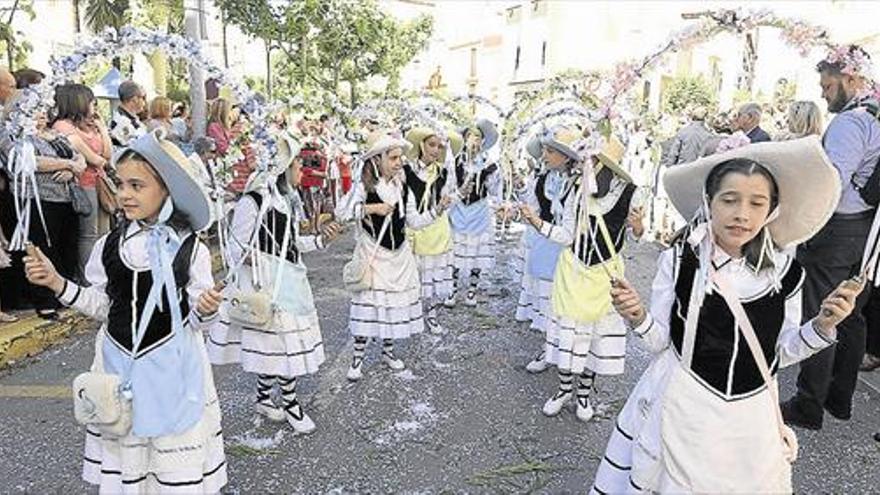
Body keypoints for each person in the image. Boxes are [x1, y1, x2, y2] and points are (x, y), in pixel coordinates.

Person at [591, 137, 857, 494]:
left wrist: (823, 325)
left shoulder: (787, 275)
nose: (742, 214)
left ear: (772, 210)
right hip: (681, 403)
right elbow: (660, 342)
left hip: (748, 422)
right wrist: (638, 316)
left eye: (756, 203)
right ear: (709, 202)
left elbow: (779, 354)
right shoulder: (679, 262)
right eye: (729, 200)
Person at [23, 129, 227, 492]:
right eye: (121, 184)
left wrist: (206, 310)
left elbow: (193, 321)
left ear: (166, 190)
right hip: (118, 366)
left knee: (170, 470)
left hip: (172, 370)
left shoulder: (189, 249)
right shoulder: (110, 245)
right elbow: (103, 306)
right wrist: (56, 283)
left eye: (137, 186)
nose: (124, 194)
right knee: (127, 469)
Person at [208, 134, 342, 434]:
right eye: (297, 164)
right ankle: (291, 404)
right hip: (266, 287)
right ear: (283, 168)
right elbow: (234, 247)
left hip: (290, 282)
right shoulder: (254, 200)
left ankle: (265, 398)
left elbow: (292, 244)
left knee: (278, 345)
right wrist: (258, 262)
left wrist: (322, 240)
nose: (302, 170)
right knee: (283, 345)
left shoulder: (285, 201)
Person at [782, 46, 880, 430]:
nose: (823, 93)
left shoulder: (851, 122)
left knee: (821, 311)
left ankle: (809, 404)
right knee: (851, 312)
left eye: (827, 85)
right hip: (865, 228)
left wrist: (804, 220)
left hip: (837, 227)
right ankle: (839, 400)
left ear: (850, 78)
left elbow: (831, 184)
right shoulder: (875, 115)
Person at [528, 134, 644, 421]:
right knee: (569, 336)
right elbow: (567, 235)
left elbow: (639, 238)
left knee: (596, 338)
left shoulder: (631, 192)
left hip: (607, 275)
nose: (583, 164)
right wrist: (535, 222)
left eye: (590, 160)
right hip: (573, 272)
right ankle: (563, 390)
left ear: (605, 165)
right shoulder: (575, 187)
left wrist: (639, 226)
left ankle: (583, 395)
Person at [335, 130, 448, 382]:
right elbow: (341, 213)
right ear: (378, 160)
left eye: (400, 158)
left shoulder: (401, 185)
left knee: (392, 307)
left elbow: (413, 221)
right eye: (394, 158)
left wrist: (437, 210)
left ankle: (387, 352)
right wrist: (372, 208)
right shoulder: (364, 186)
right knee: (369, 308)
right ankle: (358, 358)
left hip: (399, 256)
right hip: (373, 255)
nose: (399, 163)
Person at [1, 101, 86, 320]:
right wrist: (66, 165)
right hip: (35, 200)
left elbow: (78, 155)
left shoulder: (53, 134)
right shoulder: (14, 136)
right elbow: (27, 161)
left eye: (41, 110)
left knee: (65, 248)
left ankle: (64, 295)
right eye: (32, 111)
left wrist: (74, 167)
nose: (40, 115)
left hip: (66, 199)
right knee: (41, 250)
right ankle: (44, 301)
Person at [514, 128, 577, 367]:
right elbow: (532, 210)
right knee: (544, 302)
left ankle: (565, 349)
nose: (544, 155)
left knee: (562, 303)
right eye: (544, 150)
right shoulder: (541, 180)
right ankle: (547, 348)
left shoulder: (577, 184)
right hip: (542, 248)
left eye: (550, 151)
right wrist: (515, 212)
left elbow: (571, 229)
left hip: (565, 251)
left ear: (566, 156)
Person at [51, 83, 113, 279]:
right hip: (83, 184)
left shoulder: (85, 126)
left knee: (104, 233)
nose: (93, 105)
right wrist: (98, 158)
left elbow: (107, 155)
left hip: (99, 182)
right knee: (88, 234)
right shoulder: (63, 127)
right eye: (91, 101)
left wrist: (102, 129)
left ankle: (101, 274)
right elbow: (95, 159)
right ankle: (88, 277)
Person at [403, 126, 461, 334]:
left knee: (434, 277)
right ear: (421, 145)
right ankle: (413, 315)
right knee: (414, 277)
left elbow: (449, 198)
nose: (435, 150)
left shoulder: (443, 173)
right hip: (414, 228)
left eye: (439, 146)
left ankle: (432, 315)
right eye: (431, 145)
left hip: (437, 230)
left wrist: (454, 198)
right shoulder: (406, 170)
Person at [447, 119, 501, 307]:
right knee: (455, 251)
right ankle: (452, 290)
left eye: (478, 138)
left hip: (479, 212)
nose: (474, 141)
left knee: (477, 252)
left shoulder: (488, 163)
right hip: (458, 211)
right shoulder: (455, 162)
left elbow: (495, 190)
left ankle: (472, 290)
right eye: (470, 137)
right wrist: (458, 192)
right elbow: (448, 187)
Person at [108, 80, 146, 147]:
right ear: (134, 99)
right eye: (143, 97)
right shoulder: (121, 121)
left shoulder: (131, 118)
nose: (144, 102)